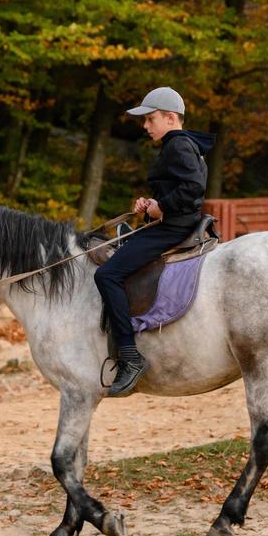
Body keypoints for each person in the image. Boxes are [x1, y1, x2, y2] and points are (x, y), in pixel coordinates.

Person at [95, 86, 216, 396]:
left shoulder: (178, 145)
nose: (145, 126)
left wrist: (162, 207)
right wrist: (152, 204)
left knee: (107, 274)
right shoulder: (181, 145)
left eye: (150, 119)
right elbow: (182, 190)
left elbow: (193, 188)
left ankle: (130, 357)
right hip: (171, 222)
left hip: (174, 228)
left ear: (171, 118)